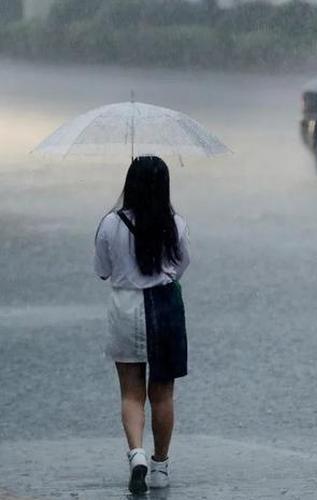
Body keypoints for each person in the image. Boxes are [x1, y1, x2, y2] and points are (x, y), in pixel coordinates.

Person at [94, 156, 190, 494]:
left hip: (125, 307)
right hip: (164, 306)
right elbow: (181, 266)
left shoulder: (109, 223)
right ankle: (160, 466)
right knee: (162, 393)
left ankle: (136, 454)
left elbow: (102, 270)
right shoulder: (174, 224)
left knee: (131, 392)